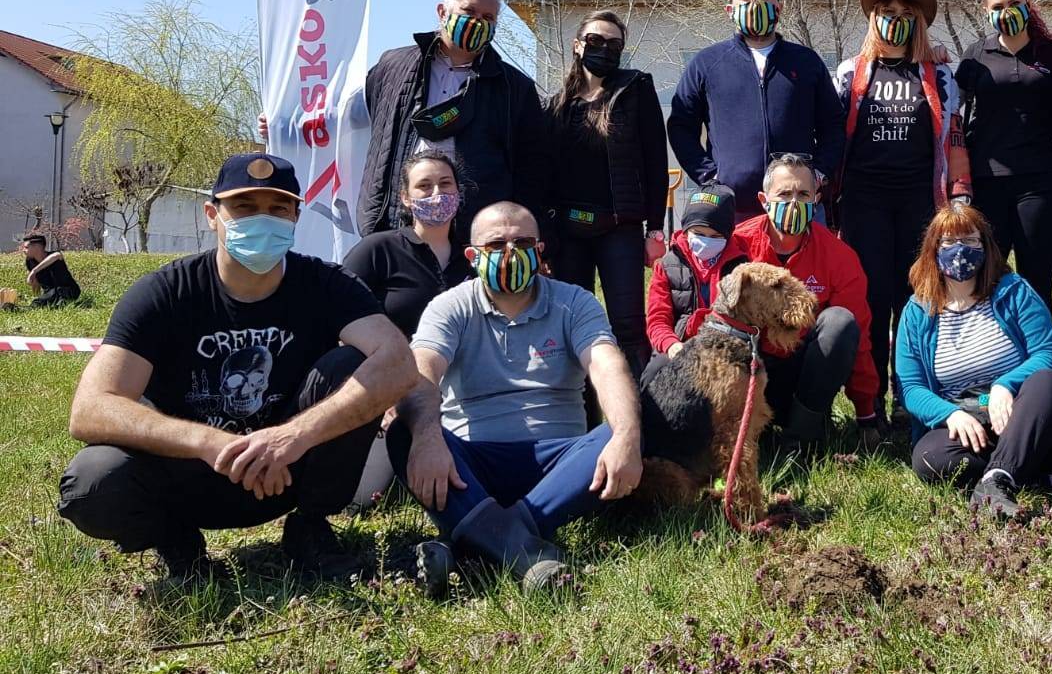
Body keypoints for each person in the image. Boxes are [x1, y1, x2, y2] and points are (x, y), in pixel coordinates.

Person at [56, 154, 417, 581]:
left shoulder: (326, 284)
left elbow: (398, 363)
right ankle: (176, 540)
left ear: (296, 217)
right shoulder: (164, 293)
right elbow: (91, 408)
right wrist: (208, 442)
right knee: (92, 481)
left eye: (278, 208)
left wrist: (293, 436)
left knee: (353, 366)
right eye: (244, 207)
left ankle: (310, 528)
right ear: (212, 215)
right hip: (189, 472)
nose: (262, 220)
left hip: (287, 471)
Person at [386, 201, 643, 595]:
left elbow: (607, 365)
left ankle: (471, 546)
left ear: (539, 250)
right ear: (472, 256)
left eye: (522, 243)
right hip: (469, 468)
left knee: (625, 426)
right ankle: (526, 553)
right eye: (495, 244)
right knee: (404, 430)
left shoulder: (573, 302)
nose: (510, 252)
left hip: (559, 466)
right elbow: (421, 372)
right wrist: (426, 437)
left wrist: (627, 436)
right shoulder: (450, 306)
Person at [897, 203, 1052, 517]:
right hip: (968, 414)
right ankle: (1029, 473)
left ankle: (997, 478)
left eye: (970, 241)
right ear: (933, 250)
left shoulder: (1015, 291)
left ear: (986, 246)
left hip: (1027, 410)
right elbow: (911, 388)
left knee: (1046, 382)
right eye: (949, 243)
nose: (960, 250)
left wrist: (1005, 386)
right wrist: (950, 414)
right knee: (929, 458)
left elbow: (1048, 355)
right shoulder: (916, 311)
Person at [833, 0, 972, 426]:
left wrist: (960, 194)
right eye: (887, 13)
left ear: (919, 23)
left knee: (917, 300)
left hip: (920, 202)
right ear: (874, 19)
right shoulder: (850, 72)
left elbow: (953, 136)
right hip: (864, 201)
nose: (896, 21)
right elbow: (834, 135)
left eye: (906, 14)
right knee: (872, 299)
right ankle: (869, 402)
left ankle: (910, 397)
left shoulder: (939, 74)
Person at [355, 0, 554, 236]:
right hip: (397, 219)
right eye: (468, 11)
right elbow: (364, 118)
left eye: (488, 17)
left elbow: (531, 166)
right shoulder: (393, 66)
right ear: (442, 12)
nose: (477, 22)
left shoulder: (515, 88)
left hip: (472, 228)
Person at [342, 148, 475, 506]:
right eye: (424, 186)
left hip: (463, 388)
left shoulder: (476, 257)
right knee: (362, 499)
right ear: (404, 197)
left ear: (459, 192)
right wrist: (383, 397)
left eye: (445, 184)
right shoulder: (377, 250)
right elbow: (339, 325)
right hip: (388, 388)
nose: (437, 194)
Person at [669, 0, 846, 222]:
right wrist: (709, 176)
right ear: (730, 10)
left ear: (779, 7)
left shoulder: (807, 62)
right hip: (731, 210)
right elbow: (681, 126)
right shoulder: (706, 64)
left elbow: (833, 125)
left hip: (798, 206)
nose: (755, 4)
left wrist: (819, 174)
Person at [547, 10, 670, 375]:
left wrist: (655, 229)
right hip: (569, 232)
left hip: (620, 228)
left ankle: (638, 405)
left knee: (628, 326)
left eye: (614, 44)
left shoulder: (635, 89)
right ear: (577, 45)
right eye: (595, 41)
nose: (604, 49)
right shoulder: (557, 105)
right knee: (571, 324)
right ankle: (580, 407)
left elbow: (655, 161)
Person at [729, 153, 876, 448]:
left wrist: (866, 414)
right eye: (784, 194)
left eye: (803, 194)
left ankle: (801, 439)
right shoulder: (737, 246)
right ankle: (740, 431)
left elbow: (858, 337)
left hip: (804, 376)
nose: (794, 202)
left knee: (840, 322)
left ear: (816, 199)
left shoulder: (839, 256)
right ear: (763, 200)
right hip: (751, 372)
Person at [956, 0, 1052, 303]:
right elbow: (950, 110)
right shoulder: (975, 54)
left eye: (1014, 3)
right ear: (986, 11)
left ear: (1028, 4)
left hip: (1040, 181)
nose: (1006, 12)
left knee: (1037, 281)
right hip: (987, 183)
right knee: (985, 281)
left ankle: (1037, 338)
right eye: (998, 6)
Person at [645, 183, 744, 365]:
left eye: (715, 237)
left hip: (726, 348)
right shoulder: (667, 265)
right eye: (698, 233)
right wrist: (671, 344)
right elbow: (657, 319)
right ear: (686, 230)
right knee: (655, 371)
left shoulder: (741, 266)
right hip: (680, 344)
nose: (705, 242)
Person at [21, 233, 81, 306]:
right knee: (39, 303)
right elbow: (36, 283)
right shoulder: (30, 262)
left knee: (56, 302)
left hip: (67, 290)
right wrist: (36, 295)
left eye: (26, 247)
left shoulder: (54, 257)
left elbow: (57, 255)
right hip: (50, 293)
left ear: (37, 247)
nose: (23, 250)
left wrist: (34, 271)